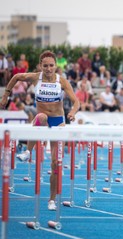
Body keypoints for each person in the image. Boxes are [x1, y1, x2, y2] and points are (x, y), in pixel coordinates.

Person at [0, 50, 80, 211]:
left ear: (56, 66)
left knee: (56, 163)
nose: (49, 69)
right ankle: (29, 151)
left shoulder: (62, 81)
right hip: (42, 118)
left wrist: (72, 112)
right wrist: (5, 95)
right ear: (40, 66)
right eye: (45, 66)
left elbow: (76, 101)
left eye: (51, 65)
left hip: (58, 121)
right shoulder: (36, 77)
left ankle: (51, 200)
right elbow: (16, 77)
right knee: (42, 116)